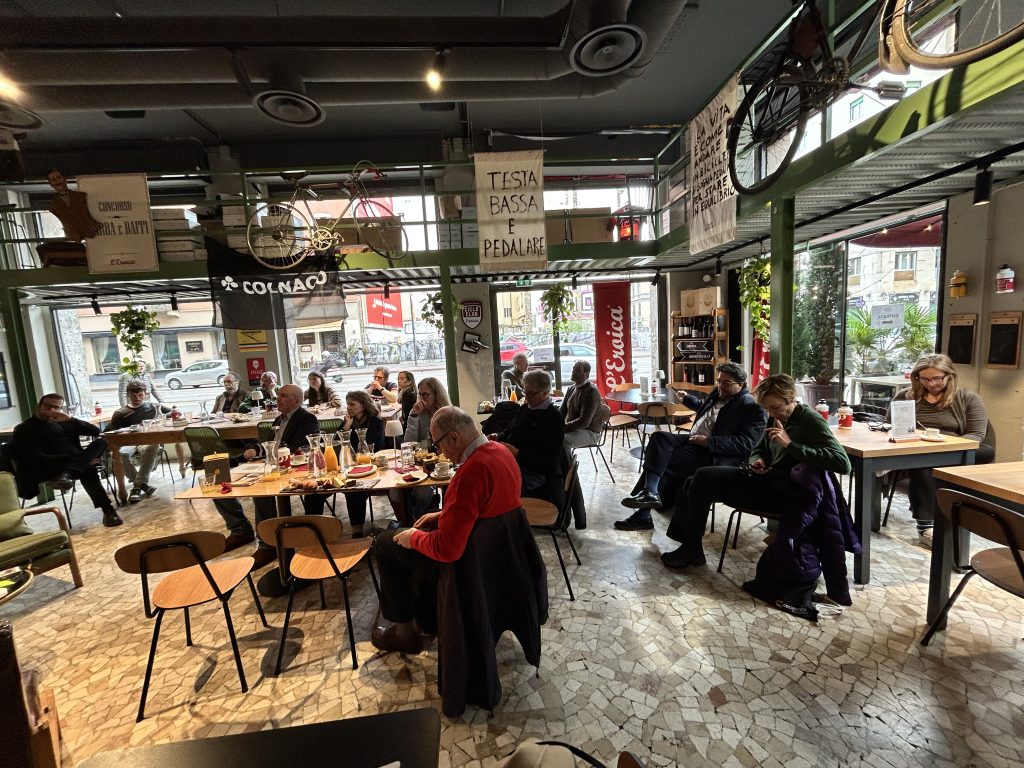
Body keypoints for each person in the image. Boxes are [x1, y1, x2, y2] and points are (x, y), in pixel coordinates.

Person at [370, 406, 523, 653]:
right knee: (420, 524)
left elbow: (447, 549)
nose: (440, 451)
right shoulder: (501, 451)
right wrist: (443, 514)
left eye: (438, 444)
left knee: (386, 543)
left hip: (465, 563)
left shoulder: (469, 472)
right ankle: (431, 617)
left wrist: (414, 537)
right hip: (494, 551)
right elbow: (489, 504)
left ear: (453, 437)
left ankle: (404, 633)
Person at [661, 374, 851, 569]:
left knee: (701, 478)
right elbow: (757, 449)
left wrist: (790, 445)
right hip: (765, 480)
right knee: (695, 480)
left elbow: (842, 463)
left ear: (790, 399)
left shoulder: (810, 420)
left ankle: (691, 549)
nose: (771, 413)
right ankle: (691, 547)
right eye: (767, 409)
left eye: (775, 407)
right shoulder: (774, 417)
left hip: (784, 493)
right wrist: (757, 460)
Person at [615, 362, 767, 531]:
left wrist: (708, 442)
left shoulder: (752, 407)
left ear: (741, 384)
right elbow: (706, 409)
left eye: (726, 383)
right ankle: (649, 493)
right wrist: (687, 399)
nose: (720, 386)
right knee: (659, 438)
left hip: (713, 454)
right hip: (693, 440)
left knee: (661, 458)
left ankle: (643, 513)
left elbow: (746, 443)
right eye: (718, 381)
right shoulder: (718, 393)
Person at [214, 384, 327, 577]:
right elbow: (270, 444)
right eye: (279, 395)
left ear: (296, 401)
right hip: (269, 463)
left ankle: (268, 545)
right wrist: (256, 449)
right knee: (219, 481)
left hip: (291, 468)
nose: (277, 399)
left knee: (262, 490)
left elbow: (298, 448)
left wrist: (269, 453)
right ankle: (240, 529)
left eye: (283, 396)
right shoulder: (278, 419)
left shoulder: (306, 418)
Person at [888, 353, 995, 542]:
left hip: (960, 446)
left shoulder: (968, 398)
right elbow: (890, 426)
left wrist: (944, 445)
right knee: (924, 462)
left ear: (949, 376)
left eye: (937, 378)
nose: (931, 383)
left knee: (927, 463)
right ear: (917, 377)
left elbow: (977, 434)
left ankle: (937, 521)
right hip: (917, 447)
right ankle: (927, 526)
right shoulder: (905, 396)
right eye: (925, 379)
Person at [11, 393, 121, 527]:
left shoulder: (64, 422)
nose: (52, 411)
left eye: (56, 408)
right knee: (88, 469)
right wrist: (80, 460)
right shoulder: (25, 428)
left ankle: (69, 472)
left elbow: (95, 431)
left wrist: (71, 419)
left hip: (71, 467)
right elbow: (34, 458)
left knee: (102, 441)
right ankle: (108, 511)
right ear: (38, 407)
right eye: (48, 407)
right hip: (49, 467)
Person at [488, 369, 565, 501]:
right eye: (525, 392)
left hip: (537, 473)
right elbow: (508, 432)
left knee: (496, 490)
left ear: (545, 392)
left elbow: (549, 459)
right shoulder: (524, 408)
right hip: (514, 463)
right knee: (485, 478)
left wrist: (518, 453)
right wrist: (497, 436)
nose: (527, 397)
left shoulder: (553, 418)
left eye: (531, 394)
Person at [390, 377, 452, 524]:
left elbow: (441, 444)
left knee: (421, 492)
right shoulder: (419, 413)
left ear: (436, 394)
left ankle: (416, 522)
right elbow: (408, 443)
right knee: (394, 492)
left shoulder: (446, 413)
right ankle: (407, 521)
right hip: (419, 463)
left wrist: (422, 445)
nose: (422, 398)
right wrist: (413, 416)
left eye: (426, 394)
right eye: (420, 394)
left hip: (440, 463)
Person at [104, 382, 164, 504]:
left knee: (154, 445)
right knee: (120, 454)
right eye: (134, 395)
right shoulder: (120, 413)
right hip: (127, 442)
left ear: (145, 394)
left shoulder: (153, 407)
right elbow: (112, 432)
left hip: (147, 441)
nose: (137, 398)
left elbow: (172, 411)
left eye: (140, 395)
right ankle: (142, 485)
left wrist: (158, 420)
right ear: (128, 395)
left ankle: (137, 486)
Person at [340, 390, 386, 536]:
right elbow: (338, 445)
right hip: (353, 467)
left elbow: (377, 446)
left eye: (352, 404)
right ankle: (357, 531)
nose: (349, 407)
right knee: (352, 488)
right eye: (347, 404)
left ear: (364, 405)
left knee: (357, 487)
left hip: (374, 465)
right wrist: (346, 427)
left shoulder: (375, 421)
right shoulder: (347, 421)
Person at [46, 169, 100, 242]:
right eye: (53, 179)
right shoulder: (52, 205)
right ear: (51, 184)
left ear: (64, 178)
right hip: (73, 237)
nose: (57, 181)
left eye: (59, 177)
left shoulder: (81, 196)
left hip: (92, 231)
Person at [560, 360, 603, 449]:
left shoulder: (591, 391)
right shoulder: (571, 388)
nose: (573, 372)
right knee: (550, 436)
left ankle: (568, 458)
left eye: (577, 370)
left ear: (586, 374)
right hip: (574, 429)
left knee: (564, 440)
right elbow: (562, 411)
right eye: (573, 369)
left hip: (590, 432)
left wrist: (562, 428)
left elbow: (584, 422)